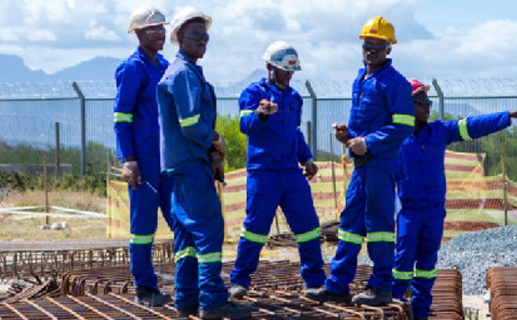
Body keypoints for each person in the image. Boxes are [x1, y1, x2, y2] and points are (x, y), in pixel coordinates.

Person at [392, 79, 517, 320]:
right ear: (407, 105)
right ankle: (394, 308)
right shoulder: (394, 136)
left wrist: (506, 116)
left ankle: (421, 313)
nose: (427, 106)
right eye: (422, 102)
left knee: (426, 267)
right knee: (402, 262)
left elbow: (473, 126)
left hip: (434, 212)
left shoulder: (438, 132)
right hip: (408, 211)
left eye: (428, 102)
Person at [305, 16, 415, 307]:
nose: (372, 49)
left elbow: (403, 127)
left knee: (379, 228)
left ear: (389, 48)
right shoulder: (361, 78)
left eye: (378, 45)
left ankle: (380, 287)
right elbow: (366, 125)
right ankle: (338, 285)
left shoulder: (396, 83)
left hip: (381, 166)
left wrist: (368, 143)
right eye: (368, 44)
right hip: (362, 167)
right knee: (349, 227)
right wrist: (349, 136)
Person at [156, 7, 252, 319]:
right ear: (179, 38)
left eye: (205, 36)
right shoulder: (183, 74)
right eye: (194, 35)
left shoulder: (187, 71)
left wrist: (211, 154)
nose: (202, 40)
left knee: (185, 236)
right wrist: (215, 140)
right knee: (209, 231)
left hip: (184, 165)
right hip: (190, 166)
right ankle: (212, 302)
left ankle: (185, 300)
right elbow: (190, 123)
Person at [227, 41, 326, 298]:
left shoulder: (293, 98)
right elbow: (245, 125)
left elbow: (294, 132)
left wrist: (307, 159)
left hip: (291, 173)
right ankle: (240, 281)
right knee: (255, 229)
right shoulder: (253, 92)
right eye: (285, 70)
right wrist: (261, 114)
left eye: (292, 70)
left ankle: (314, 280)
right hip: (263, 173)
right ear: (270, 67)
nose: (289, 75)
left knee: (309, 227)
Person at [113, 5, 174, 307]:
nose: (160, 33)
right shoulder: (133, 68)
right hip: (145, 160)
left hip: (168, 159)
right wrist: (129, 159)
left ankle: (191, 283)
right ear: (138, 34)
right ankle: (145, 287)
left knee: (181, 220)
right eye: (153, 29)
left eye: (162, 27)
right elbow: (122, 118)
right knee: (143, 228)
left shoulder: (163, 65)